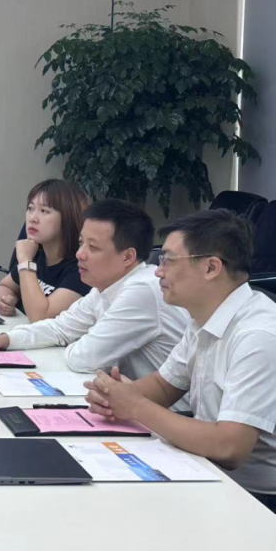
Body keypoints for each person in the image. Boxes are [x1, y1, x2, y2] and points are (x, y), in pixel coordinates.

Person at [84, 210, 276, 510]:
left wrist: (134, 406)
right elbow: (164, 385)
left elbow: (230, 447)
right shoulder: (204, 317)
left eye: (168, 261)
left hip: (256, 499)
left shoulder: (258, 336)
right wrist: (115, 396)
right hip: (206, 470)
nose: (158, 272)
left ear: (211, 267)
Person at [0, 200, 189, 381]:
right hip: (133, 403)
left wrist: (77, 341)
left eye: (92, 247)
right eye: (80, 243)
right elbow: (60, 327)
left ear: (128, 256)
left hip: (170, 416)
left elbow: (84, 358)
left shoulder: (142, 290)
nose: (80, 254)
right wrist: (5, 339)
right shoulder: (105, 288)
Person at [0, 179, 91, 322]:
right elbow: (4, 286)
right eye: (30, 208)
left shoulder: (81, 268)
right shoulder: (38, 255)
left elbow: (40, 318)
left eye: (44, 211)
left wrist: (25, 261)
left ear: (67, 218)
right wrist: (5, 299)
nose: (32, 218)